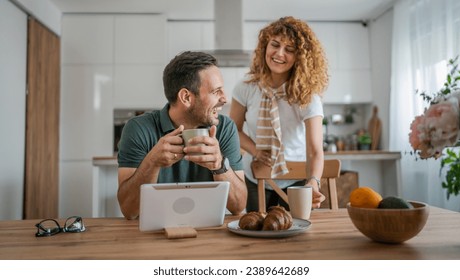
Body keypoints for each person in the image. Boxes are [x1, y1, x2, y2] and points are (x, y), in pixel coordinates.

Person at [117, 51, 247, 220]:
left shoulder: (225, 128)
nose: (224, 98)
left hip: (209, 231)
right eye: (216, 91)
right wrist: (152, 162)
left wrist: (220, 165)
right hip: (154, 233)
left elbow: (239, 207)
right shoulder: (139, 128)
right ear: (186, 97)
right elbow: (129, 210)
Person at [229, 16, 328, 212]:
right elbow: (233, 130)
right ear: (265, 46)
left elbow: (315, 150)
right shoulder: (246, 87)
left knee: (294, 235)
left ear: (300, 57)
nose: (279, 53)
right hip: (254, 175)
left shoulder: (308, 96)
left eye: (289, 50)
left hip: (297, 180)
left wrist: (313, 182)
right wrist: (256, 150)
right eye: (275, 45)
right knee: (257, 233)